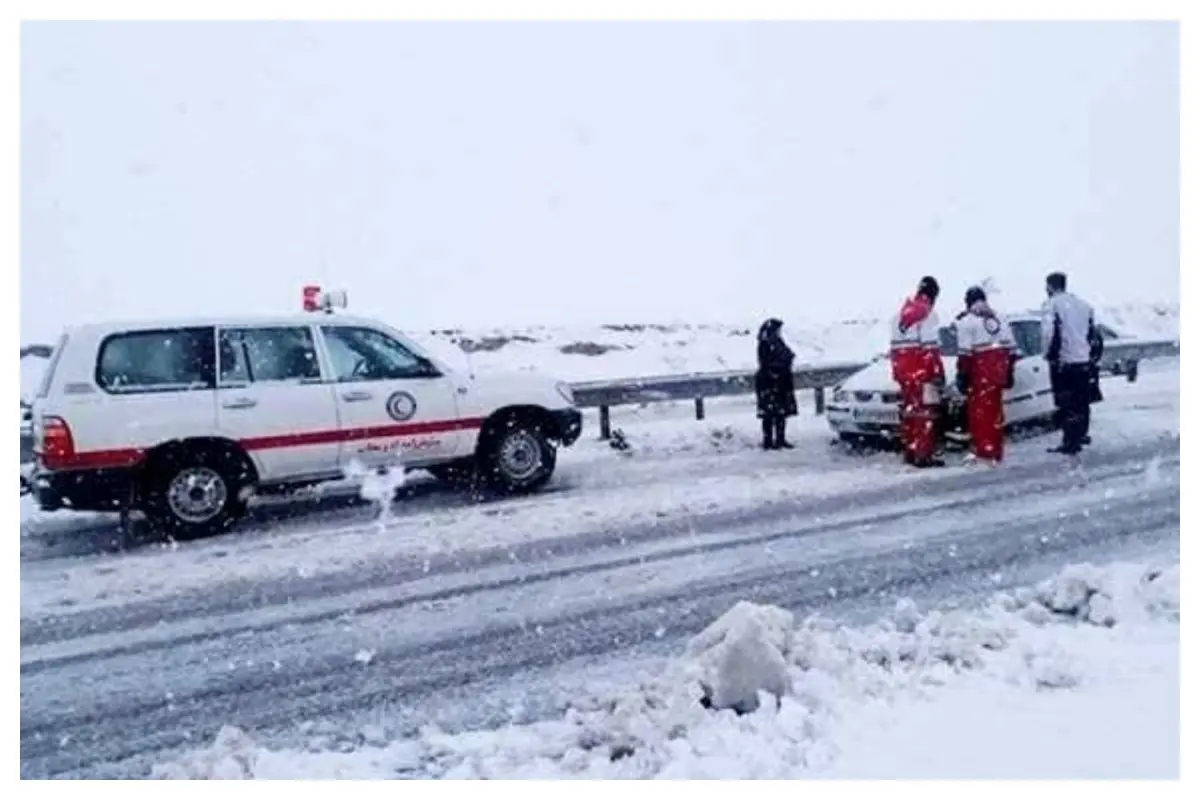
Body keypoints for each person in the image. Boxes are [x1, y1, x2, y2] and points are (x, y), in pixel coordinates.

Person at [955, 286, 1018, 463]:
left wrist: (962, 375)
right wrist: (1008, 371)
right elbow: (1012, 350)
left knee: (980, 414)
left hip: (979, 375)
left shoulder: (967, 322)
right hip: (998, 373)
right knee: (996, 412)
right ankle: (996, 450)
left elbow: (965, 354)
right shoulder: (1001, 319)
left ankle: (984, 450)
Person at [1042, 271, 1102, 454]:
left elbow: (1048, 333)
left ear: (1050, 287)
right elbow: (1094, 334)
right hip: (1083, 360)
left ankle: (1070, 441)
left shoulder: (1051, 305)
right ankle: (1081, 434)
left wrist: (1048, 355)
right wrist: (1091, 356)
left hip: (1064, 361)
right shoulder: (1084, 305)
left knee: (1066, 402)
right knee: (1082, 401)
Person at [889, 276, 946, 468]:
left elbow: (895, 349)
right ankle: (923, 454)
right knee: (925, 414)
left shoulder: (897, 316)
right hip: (922, 372)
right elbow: (930, 349)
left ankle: (910, 452)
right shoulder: (928, 315)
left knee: (909, 412)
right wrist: (937, 373)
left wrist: (898, 372)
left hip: (903, 372)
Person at [755, 318, 798, 450]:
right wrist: (778, 369)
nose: (779, 332)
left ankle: (780, 439)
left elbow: (788, 355)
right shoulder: (765, 344)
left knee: (781, 413)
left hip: (781, 382)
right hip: (769, 382)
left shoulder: (778, 342)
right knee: (769, 414)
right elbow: (766, 363)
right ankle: (768, 441)